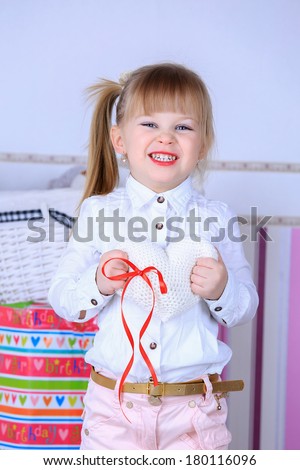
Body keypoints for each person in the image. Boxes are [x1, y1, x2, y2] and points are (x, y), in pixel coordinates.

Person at [48, 62, 258, 450]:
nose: (166, 138)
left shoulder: (215, 219)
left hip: (195, 413)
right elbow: (62, 298)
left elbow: (245, 305)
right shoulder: (100, 214)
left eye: (183, 127)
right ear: (119, 140)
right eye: (150, 124)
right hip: (114, 410)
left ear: (204, 143)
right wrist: (99, 282)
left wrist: (222, 290)